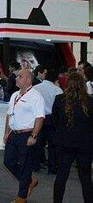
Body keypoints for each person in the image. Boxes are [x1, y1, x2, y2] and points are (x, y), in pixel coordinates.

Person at [3, 69, 45, 203]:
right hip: (13, 134)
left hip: (27, 134)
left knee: (25, 165)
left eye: (20, 76)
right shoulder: (14, 95)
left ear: (28, 80)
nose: (16, 78)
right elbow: (9, 115)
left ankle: (22, 197)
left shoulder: (36, 96)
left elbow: (40, 117)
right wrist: (6, 133)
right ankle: (29, 181)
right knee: (8, 161)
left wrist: (34, 136)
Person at [51, 73, 93, 203]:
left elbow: (54, 121)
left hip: (64, 143)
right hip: (85, 144)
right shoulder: (90, 101)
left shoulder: (59, 99)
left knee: (61, 175)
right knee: (86, 178)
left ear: (67, 83)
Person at [33, 67, 62, 174]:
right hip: (52, 118)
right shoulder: (57, 90)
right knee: (52, 144)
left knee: (37, 142)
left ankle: (35, 165)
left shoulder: (35, 88)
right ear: (56, 79)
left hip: (38, 117)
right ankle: (52, 167)